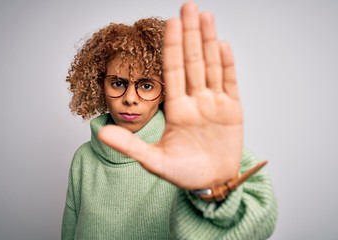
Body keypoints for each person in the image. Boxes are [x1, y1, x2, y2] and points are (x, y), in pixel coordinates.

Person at [61, 2, 277, 239]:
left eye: (146, 85)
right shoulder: (84, 158)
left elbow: (254, 226)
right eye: (118, 83)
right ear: (99, 85)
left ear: (165, 91)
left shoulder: (189, 153)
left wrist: (213, 192)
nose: (130, 99)